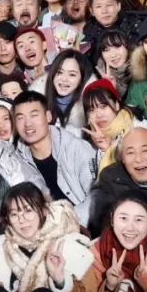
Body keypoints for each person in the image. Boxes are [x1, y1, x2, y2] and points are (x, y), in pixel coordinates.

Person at [12, 91, 98, 227]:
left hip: (86, 226)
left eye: (34, 115)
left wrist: (67, 222)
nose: (27, 123)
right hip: (46, 231)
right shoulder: (17, 161)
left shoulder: (76, 148)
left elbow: (96, 195)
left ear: (48, 116)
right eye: (20, 118)